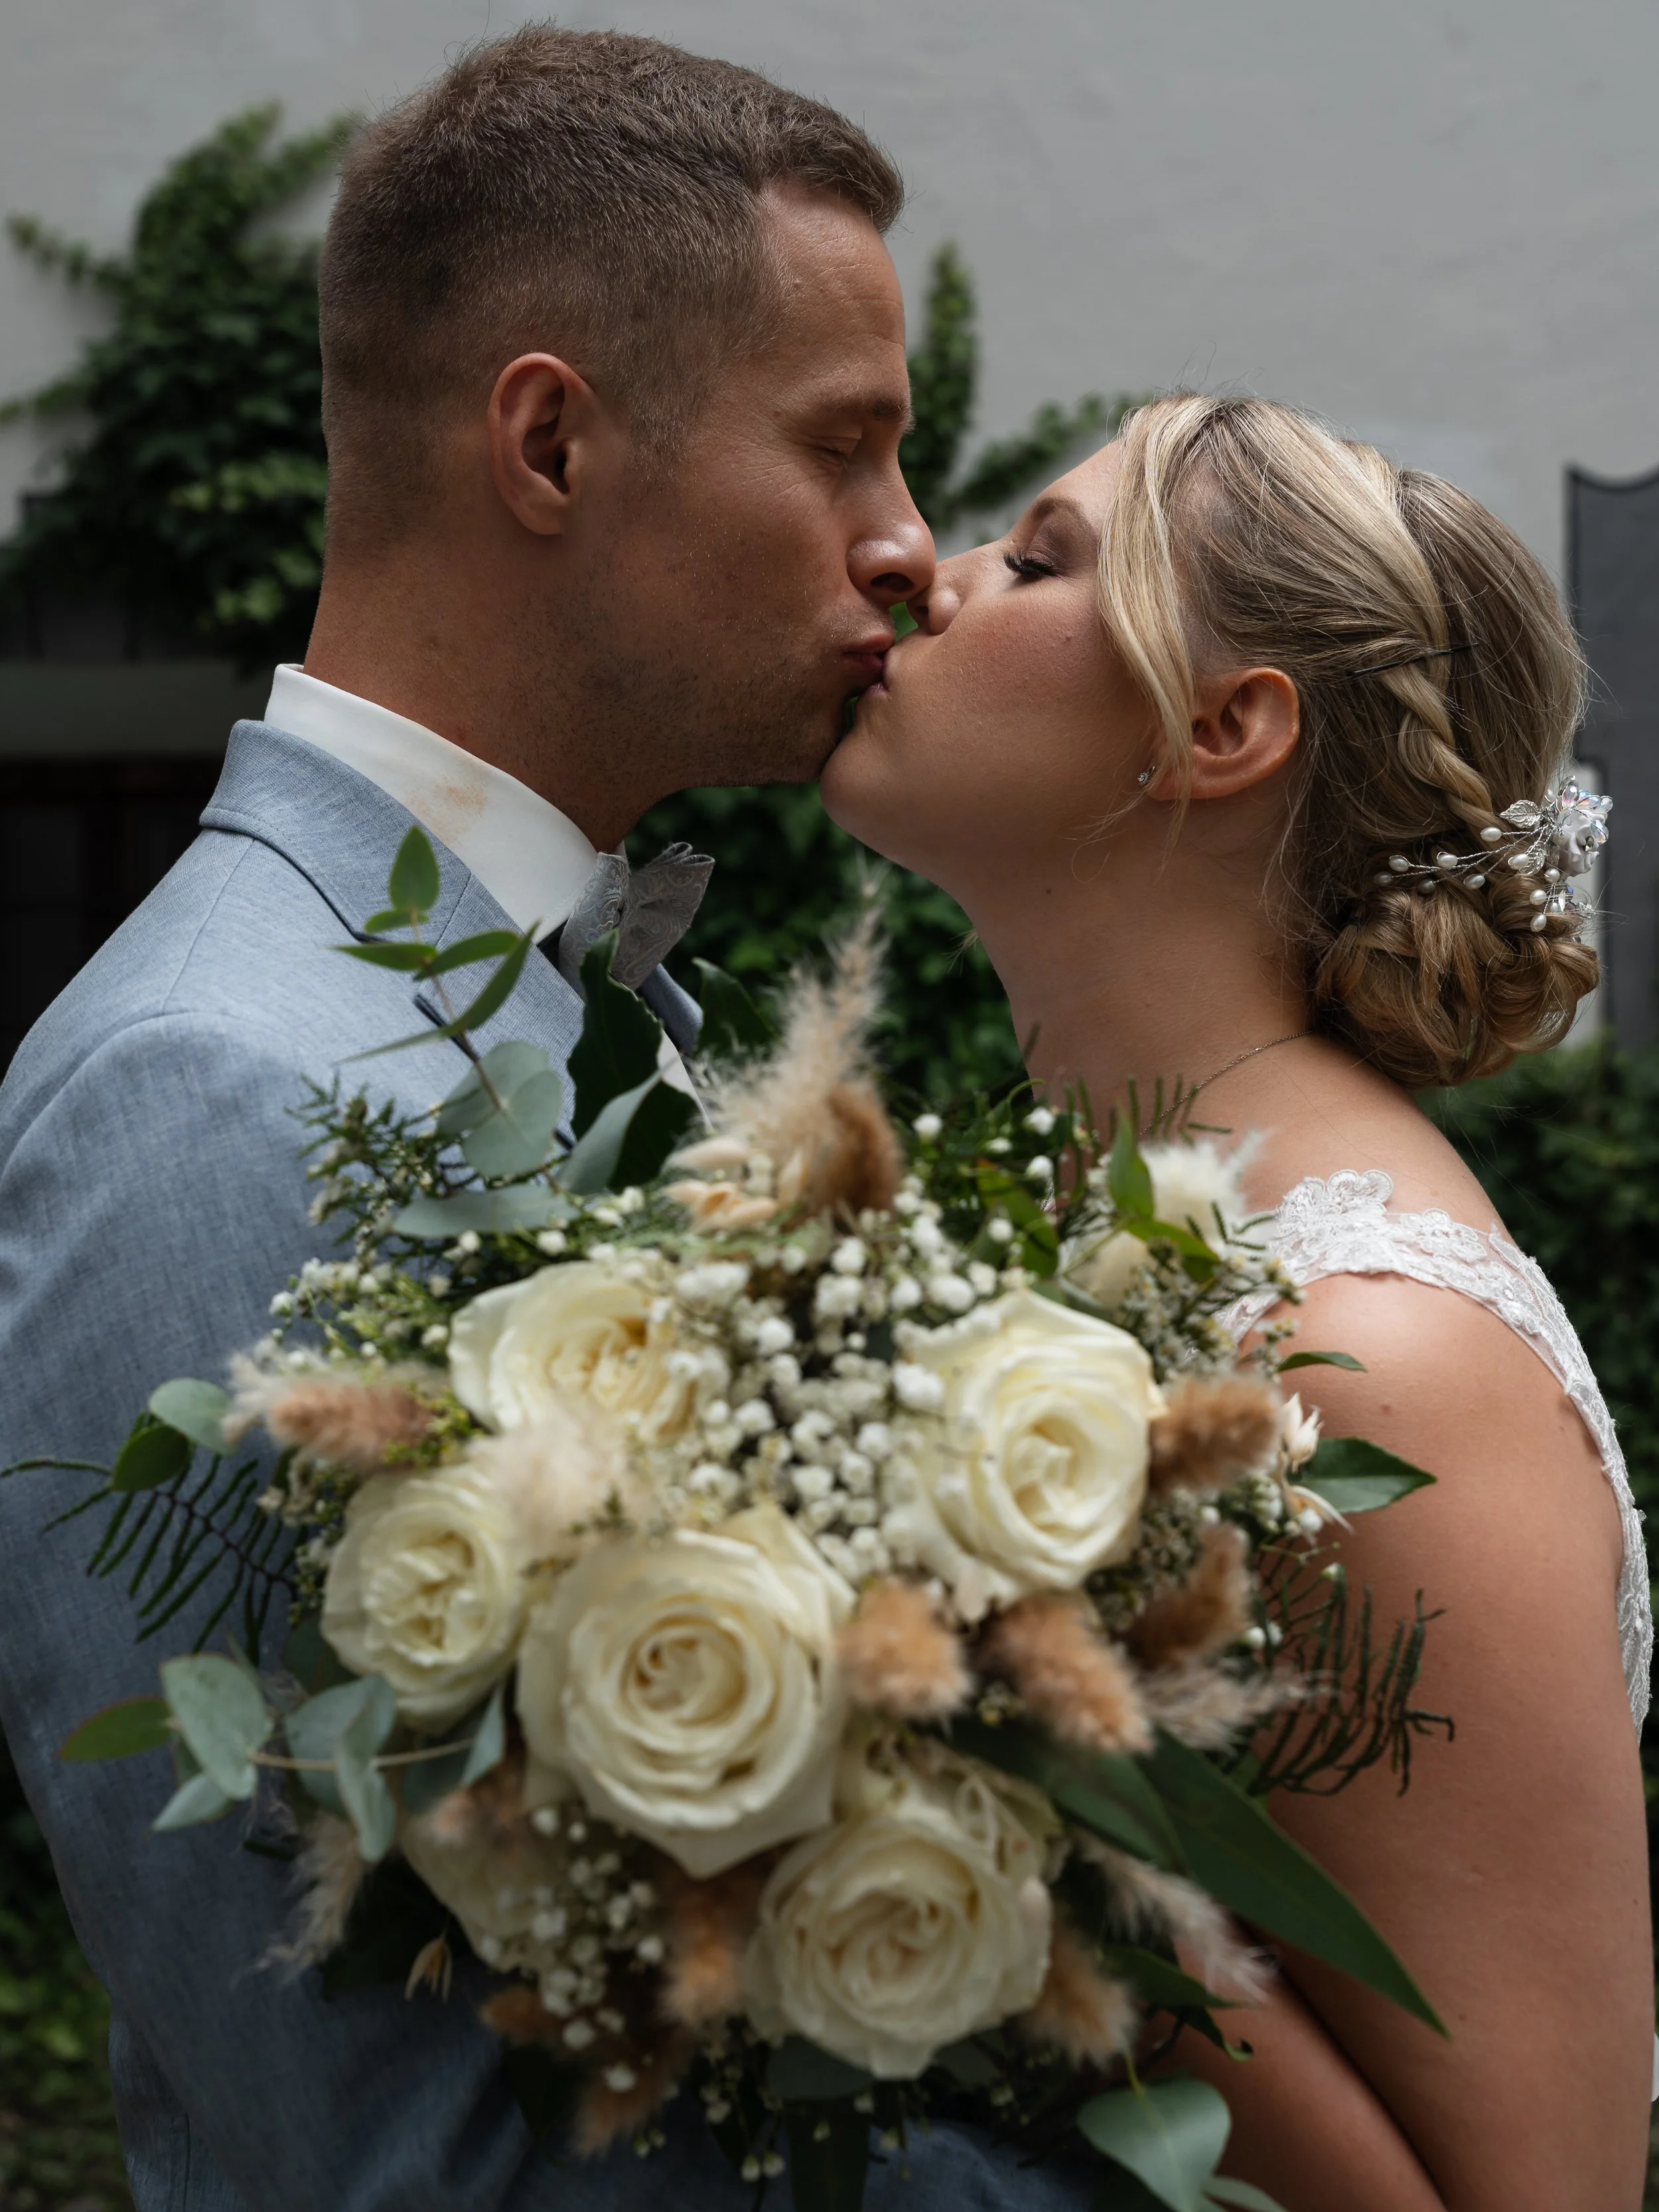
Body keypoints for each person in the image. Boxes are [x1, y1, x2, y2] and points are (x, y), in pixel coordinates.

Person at [0, 27, 1109, 2212]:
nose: (907, 551)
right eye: (849, 448)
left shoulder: (596, 994)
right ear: (547, 441)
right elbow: (408, 2144)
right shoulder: (205, 1097)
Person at [823, 390, 1656, 2211]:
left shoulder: (1377, 1364)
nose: (926, 578)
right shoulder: (1077, 1217)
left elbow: (1540, 2192)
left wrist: (972, 1780)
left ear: (1220, 725)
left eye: (1035, 559)